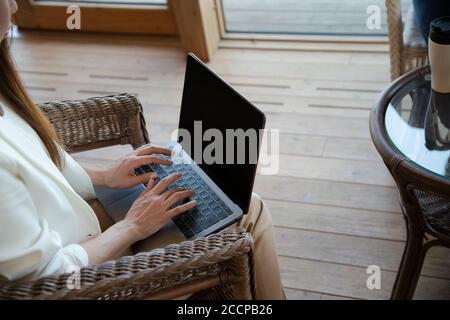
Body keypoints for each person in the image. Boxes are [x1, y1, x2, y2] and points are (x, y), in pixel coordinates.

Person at [0, 0, 285, 299]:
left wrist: (103, 176)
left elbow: (35, 160)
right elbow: (45, 280)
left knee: (205, 187)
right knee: (249, 211)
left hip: (85, 219)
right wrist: (132, 226)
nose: (15, 6)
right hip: (95, 273)